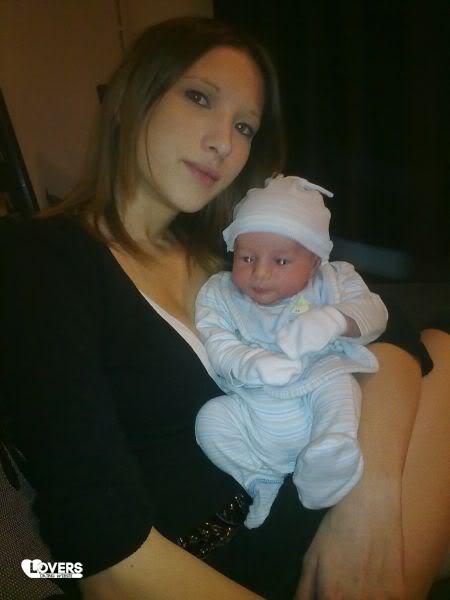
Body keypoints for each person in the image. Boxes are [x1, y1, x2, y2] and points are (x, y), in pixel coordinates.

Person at [0, 16, 448, 600]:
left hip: (314, 486)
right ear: (129, 100)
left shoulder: (227, 253)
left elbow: (389, 328)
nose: (224, 143)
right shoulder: (38, 257)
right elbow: (98, 552)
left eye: (244, 126)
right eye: (199, 97)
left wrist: (369, 501)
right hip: (214, 560)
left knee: (442, 346)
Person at [195, 174, 388, 528]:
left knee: (340, 387)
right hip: (255, 407)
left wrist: (335, 320)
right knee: (210, 420)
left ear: (314, 261)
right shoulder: (221, 294)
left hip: (317, 385)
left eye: (281, 261)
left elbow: (375, 313)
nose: (260, 274)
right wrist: (252, 362)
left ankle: (330, 452)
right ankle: (259, 479)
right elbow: (216, 339)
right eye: (247, 258)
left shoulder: (333, 282)